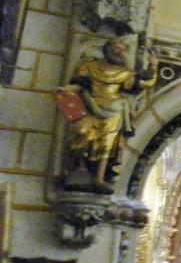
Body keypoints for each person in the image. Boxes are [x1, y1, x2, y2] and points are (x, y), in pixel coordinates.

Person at [59, 38, 158, 190]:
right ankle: (79, 167)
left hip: (114, 110)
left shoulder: (124, 73)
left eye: (122, 49)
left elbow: (145, 83)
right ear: (108, 49)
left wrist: (153, 66)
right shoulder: (90, 66)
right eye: (116, 48)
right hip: (91, 105)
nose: (119, 51)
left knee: (107, 144)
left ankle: (99, 178)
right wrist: (69, 88)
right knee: (82, 133)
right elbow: (80, 83)